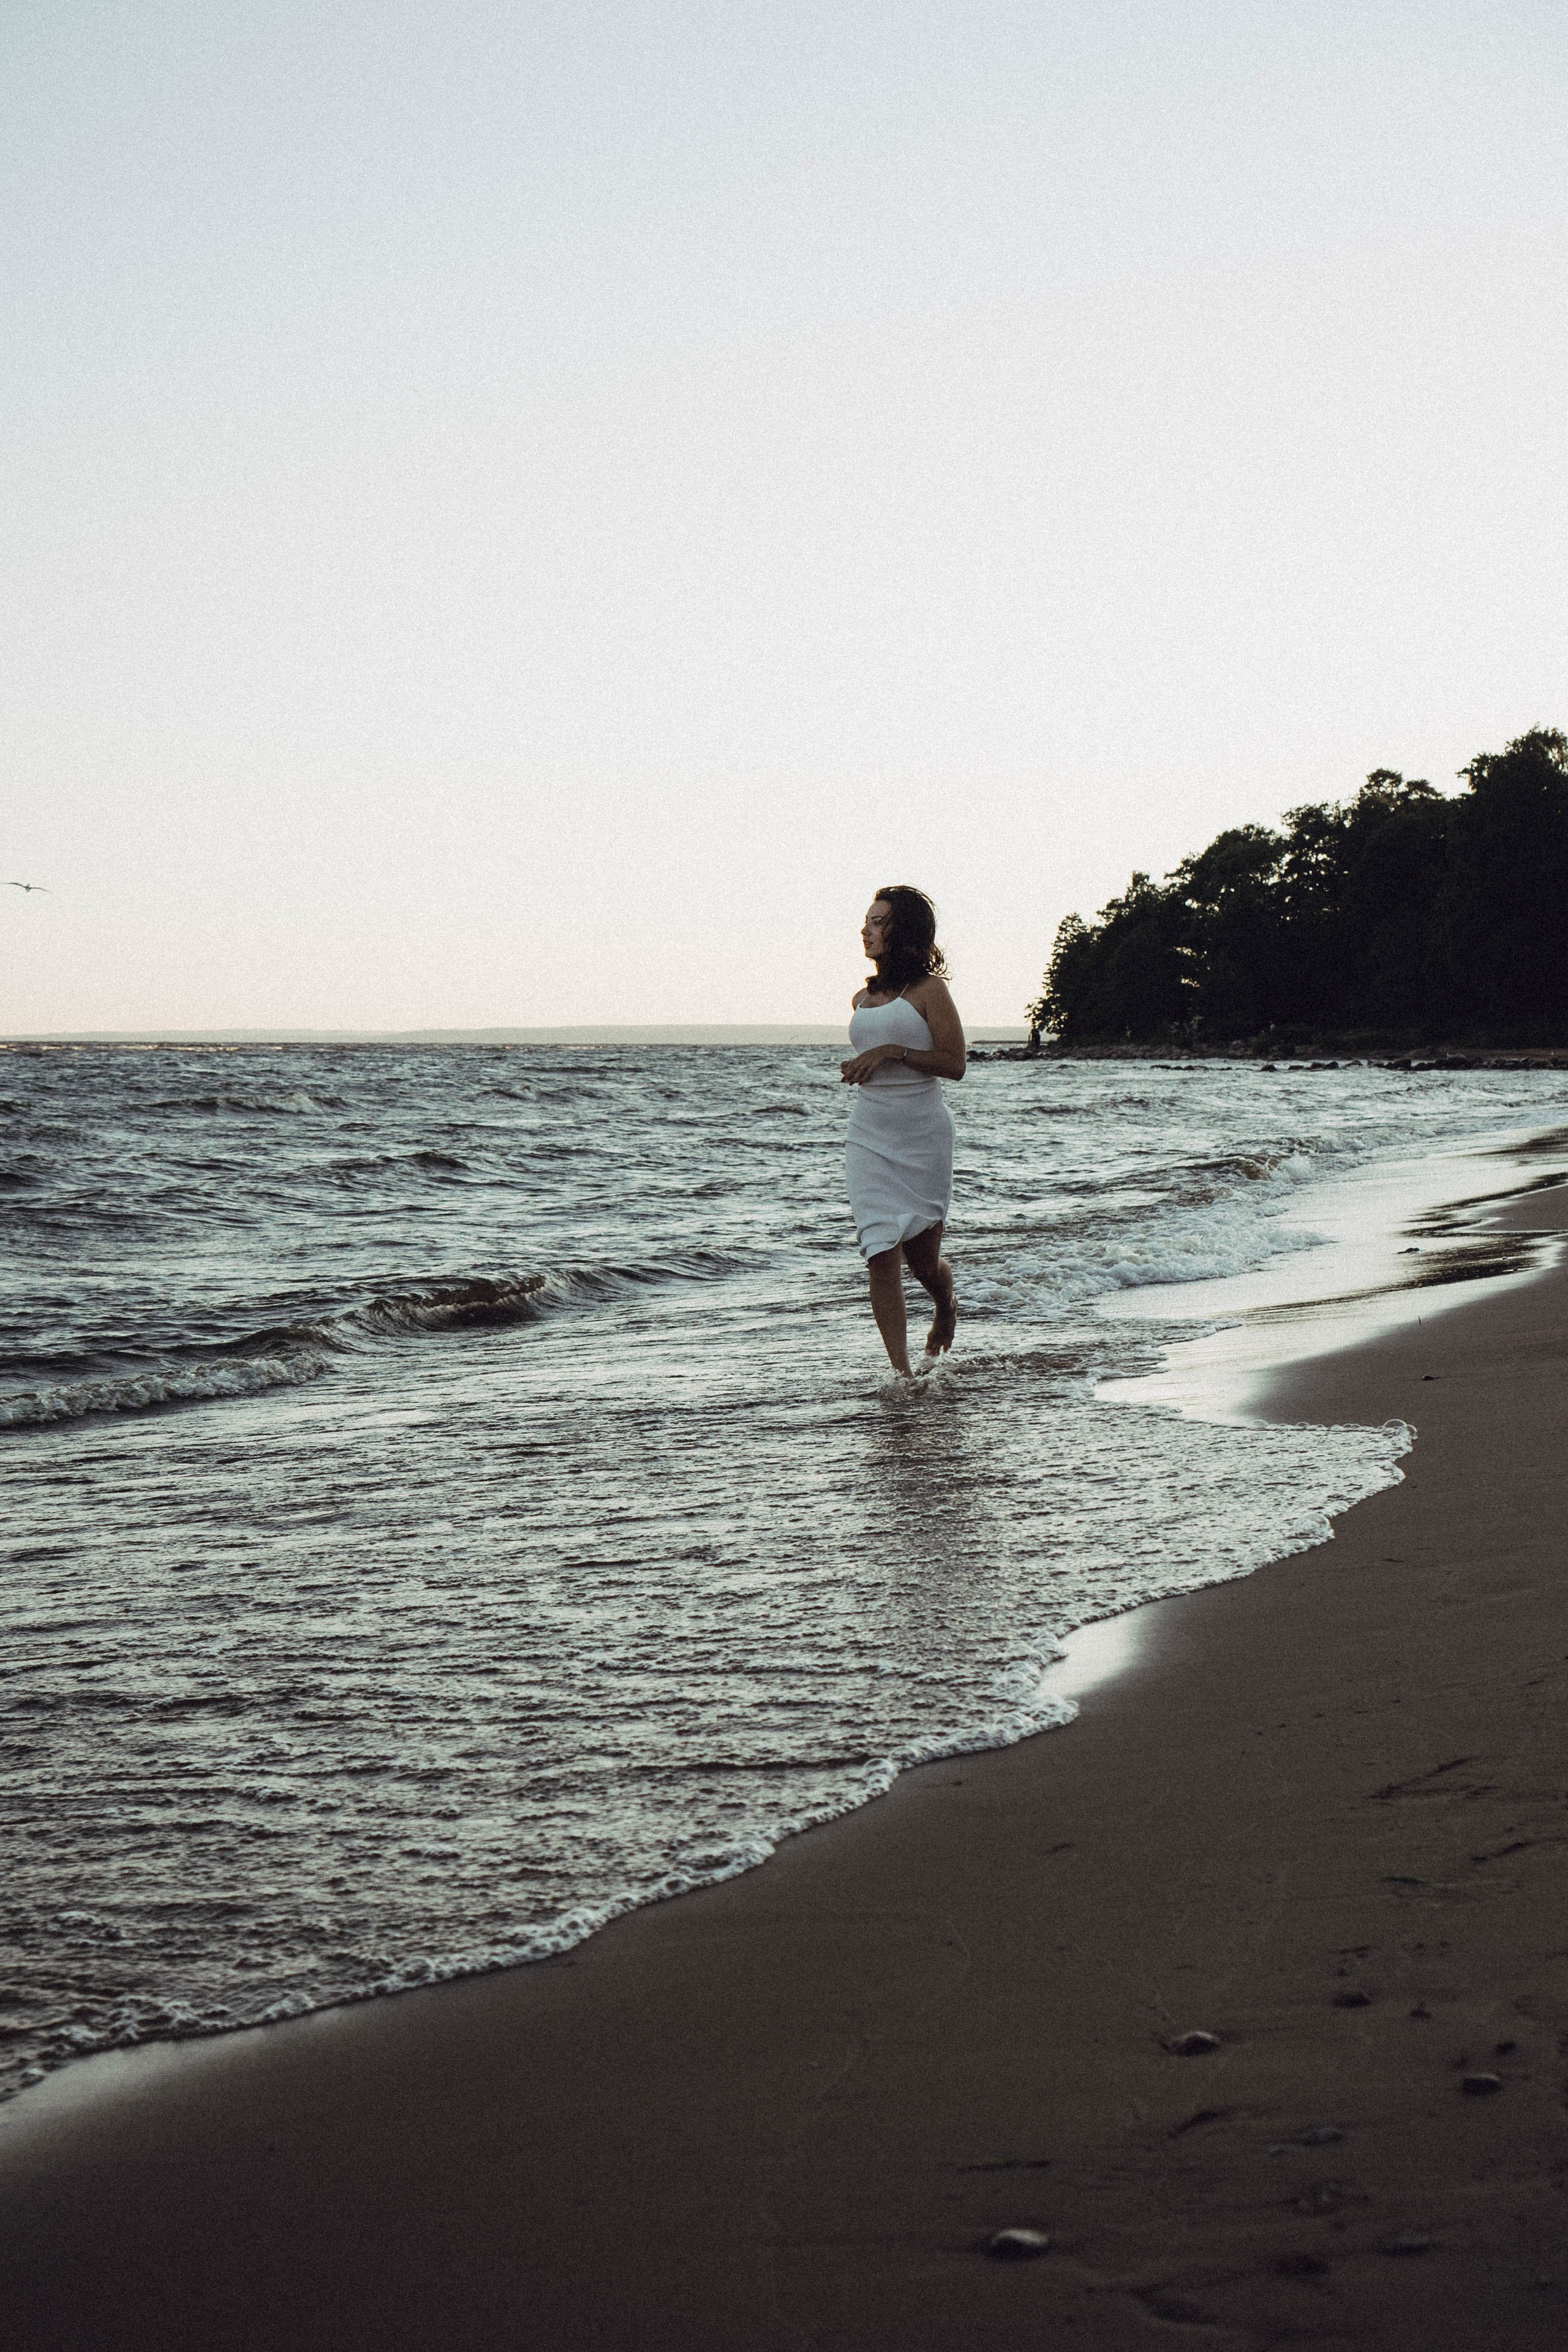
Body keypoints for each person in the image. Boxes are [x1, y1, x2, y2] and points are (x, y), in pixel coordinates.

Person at [840, 886, 965, 1374]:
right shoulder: (862, 997)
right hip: (868, 1136)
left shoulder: (931, 992)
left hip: (923, 1138)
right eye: (866, 920)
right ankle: (903, 1375)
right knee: (879, 1251)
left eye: (877, 921)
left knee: (923, 1264)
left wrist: (890, 1052)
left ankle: (945, 1304)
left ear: (903, 932)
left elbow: (955, 1064)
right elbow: (873, 1052)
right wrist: (861, 1065)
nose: (865, 929)